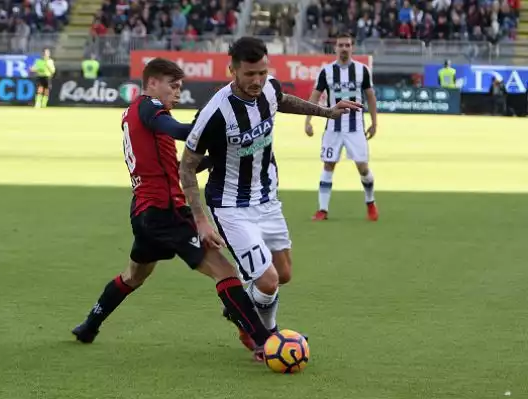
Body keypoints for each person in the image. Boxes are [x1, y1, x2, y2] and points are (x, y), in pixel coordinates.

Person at [71, 58, 276, 362]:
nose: (177, 93)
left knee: (133, 276)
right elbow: (176, 129)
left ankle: (89, 325)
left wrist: (214, 158)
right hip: (166, 211)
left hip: (144, 213)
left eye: (180, 87)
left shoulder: (133, 115)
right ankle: (264, 341)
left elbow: (177, 169)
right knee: (224, 271)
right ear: (152, 82)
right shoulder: (149, 107)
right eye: (173, 85)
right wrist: (205, 128)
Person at [179, 37, 361, 351]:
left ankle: (241, 308)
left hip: (267, 199)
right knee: (268, 281)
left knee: (284, 273)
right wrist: (201, 221)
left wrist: (327, 113)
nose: (257, 81)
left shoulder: (268, 88)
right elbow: (186, 167)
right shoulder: (214, 113)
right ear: (232, 70)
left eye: (262, 72)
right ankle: (267, 338)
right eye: (249, 74)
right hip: (231, 206)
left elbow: (282, 100)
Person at [304, 32, 379, 221]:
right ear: (335, 48)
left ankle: (370, 203)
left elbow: (370, 96)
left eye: (347, 45)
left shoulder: (362, 70)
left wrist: (374, 122)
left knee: (363, 168)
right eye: (341, 45)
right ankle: (322, 209)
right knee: (328, 165)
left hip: (355, 128)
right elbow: (315, 95)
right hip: (333, 128)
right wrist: (308, 120)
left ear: (352, 47)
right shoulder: (326, 71)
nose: (344, 48)